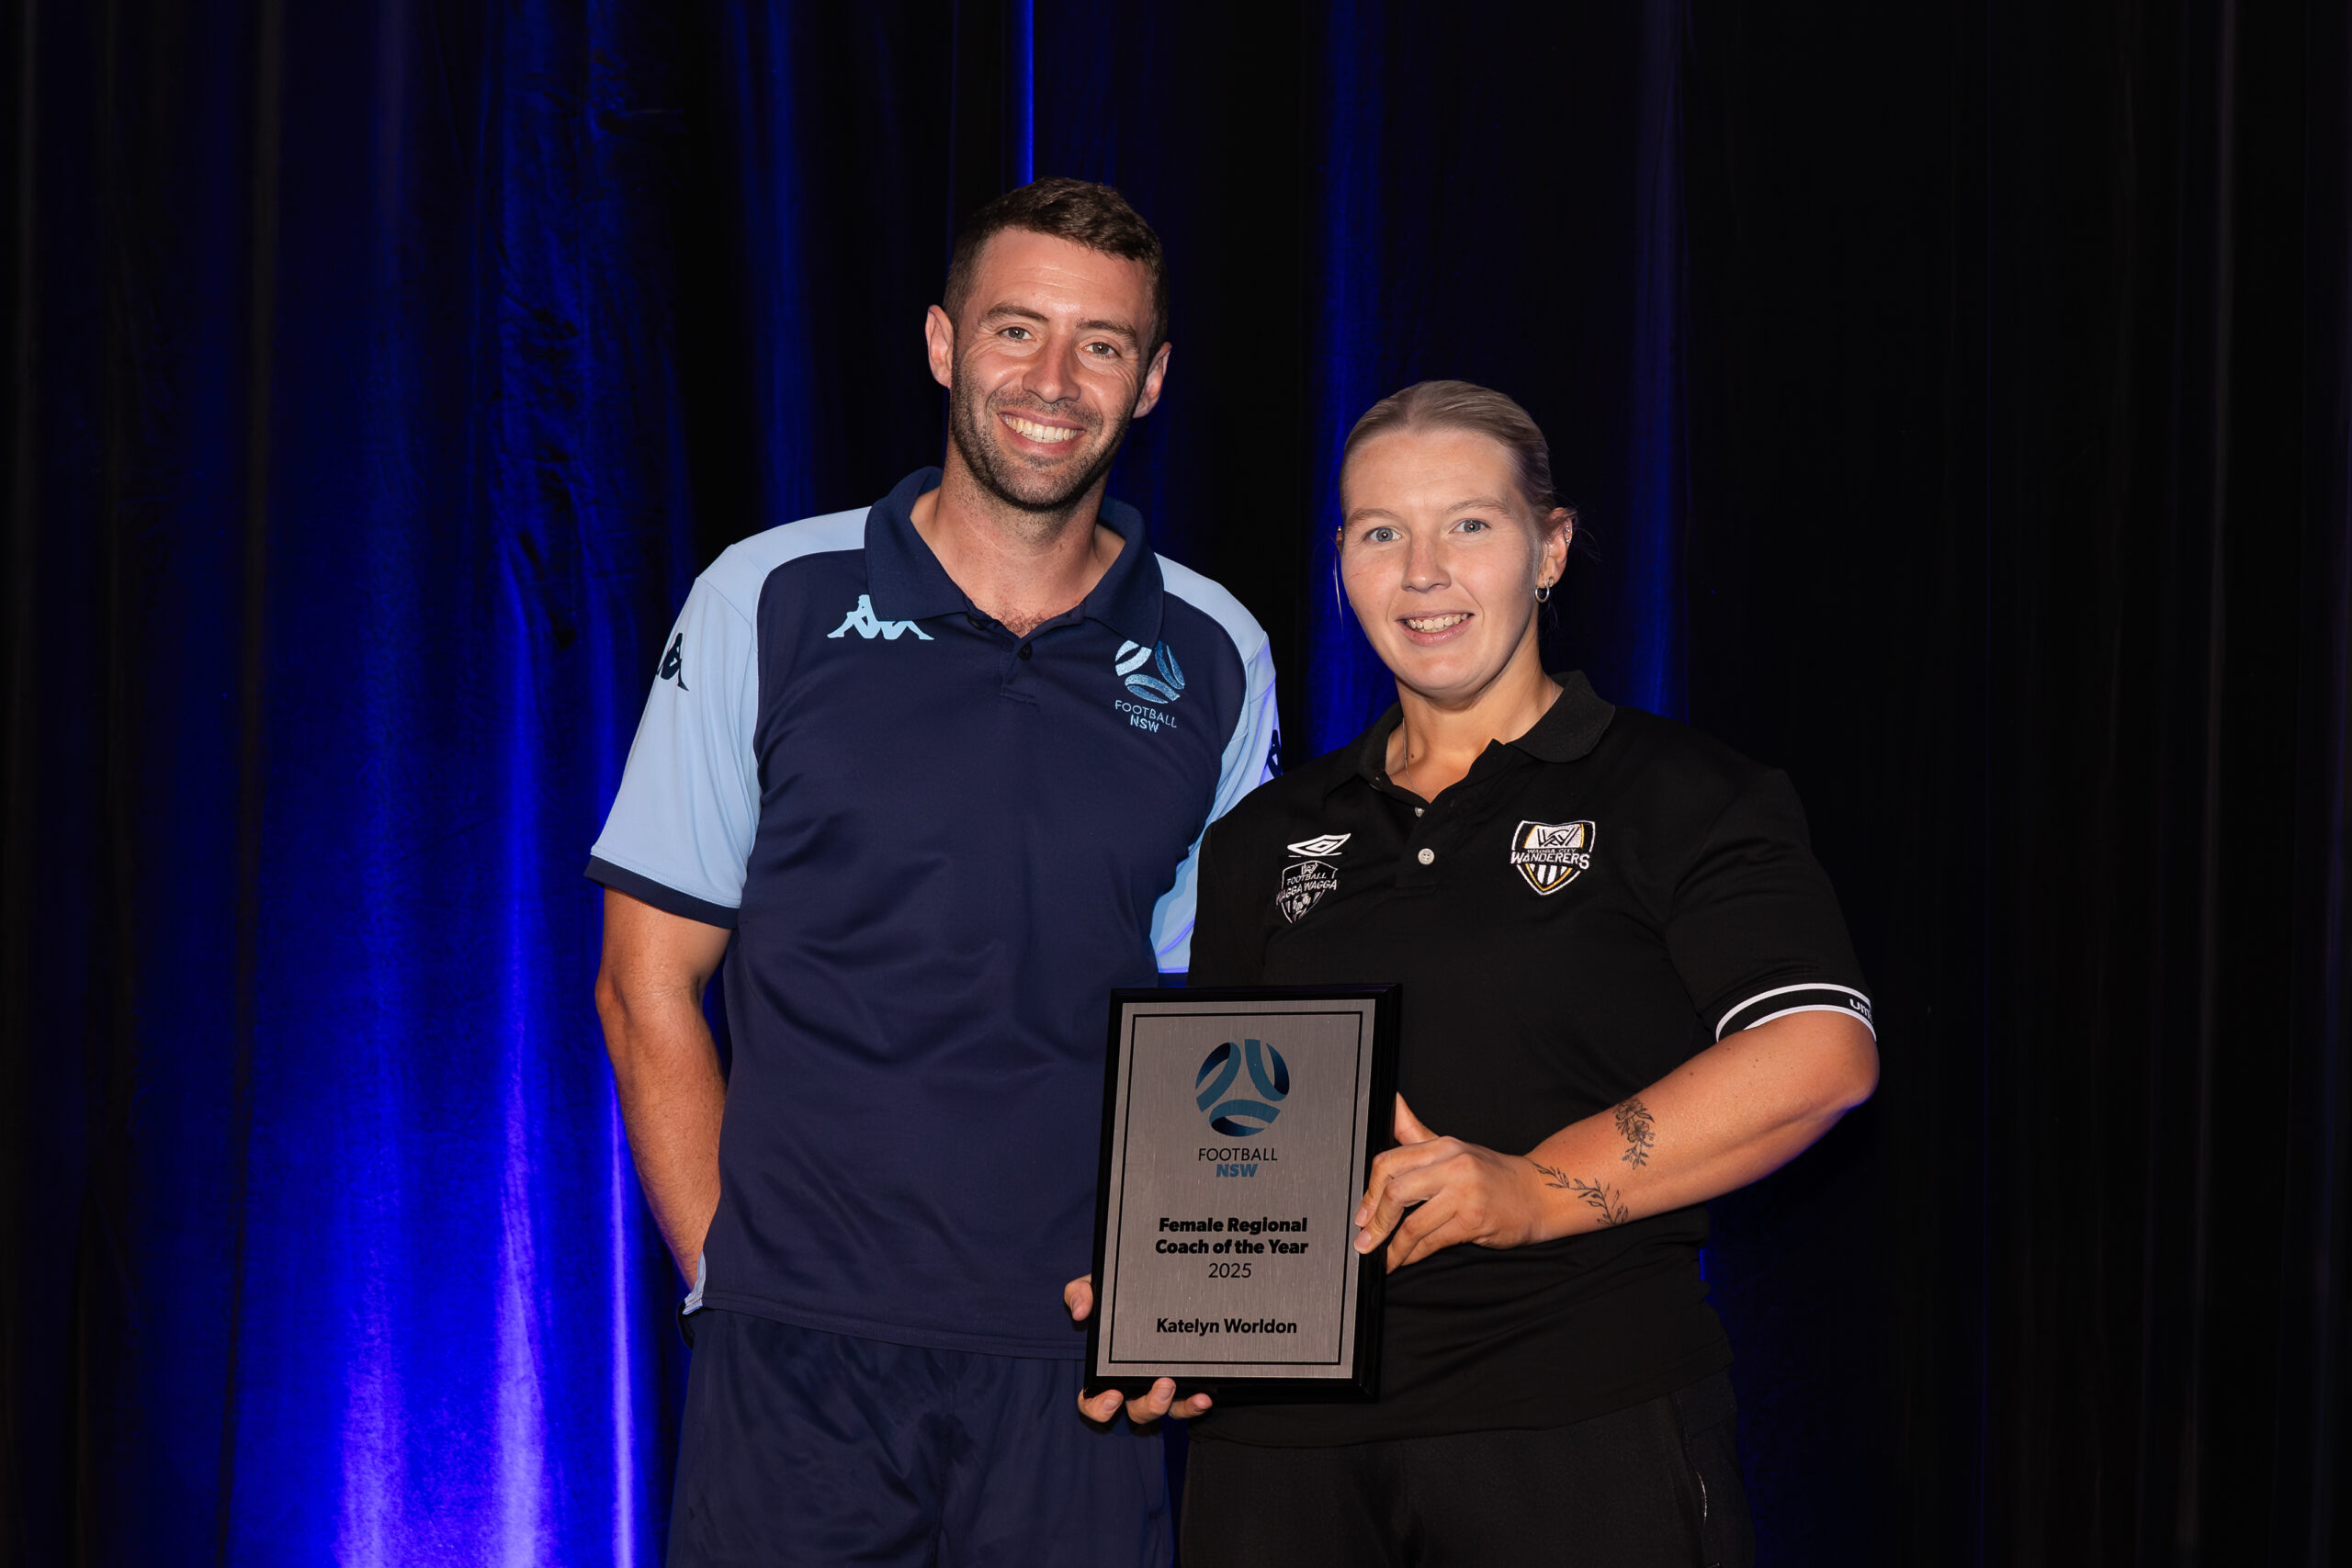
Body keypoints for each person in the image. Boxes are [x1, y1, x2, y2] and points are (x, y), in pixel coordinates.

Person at [588, 178, 1278, 1567]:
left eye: (1101, 344)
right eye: (1016, 329)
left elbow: (1228, 1023)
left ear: (1151, 384)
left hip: (1077, 1365)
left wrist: (1195, 1301)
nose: (1053, 379)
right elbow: (642, 983)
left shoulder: (1217, 648)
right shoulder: (766, 598)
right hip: (796, 1362)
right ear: (941, 343)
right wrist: (730, 1278)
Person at [1073, 380, 1877, 1566]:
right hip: (1281, 1451)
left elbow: (1820, 1052)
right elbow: (1228, 1124)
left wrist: (1538, 1189)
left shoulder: (1680, 794)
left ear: (1549, 549)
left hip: (1572, 1420)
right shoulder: (1267, 835)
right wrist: (1169, 1309)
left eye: (1471, 525)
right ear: (1342, 561)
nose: (1423, 571)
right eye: (1380, 532)